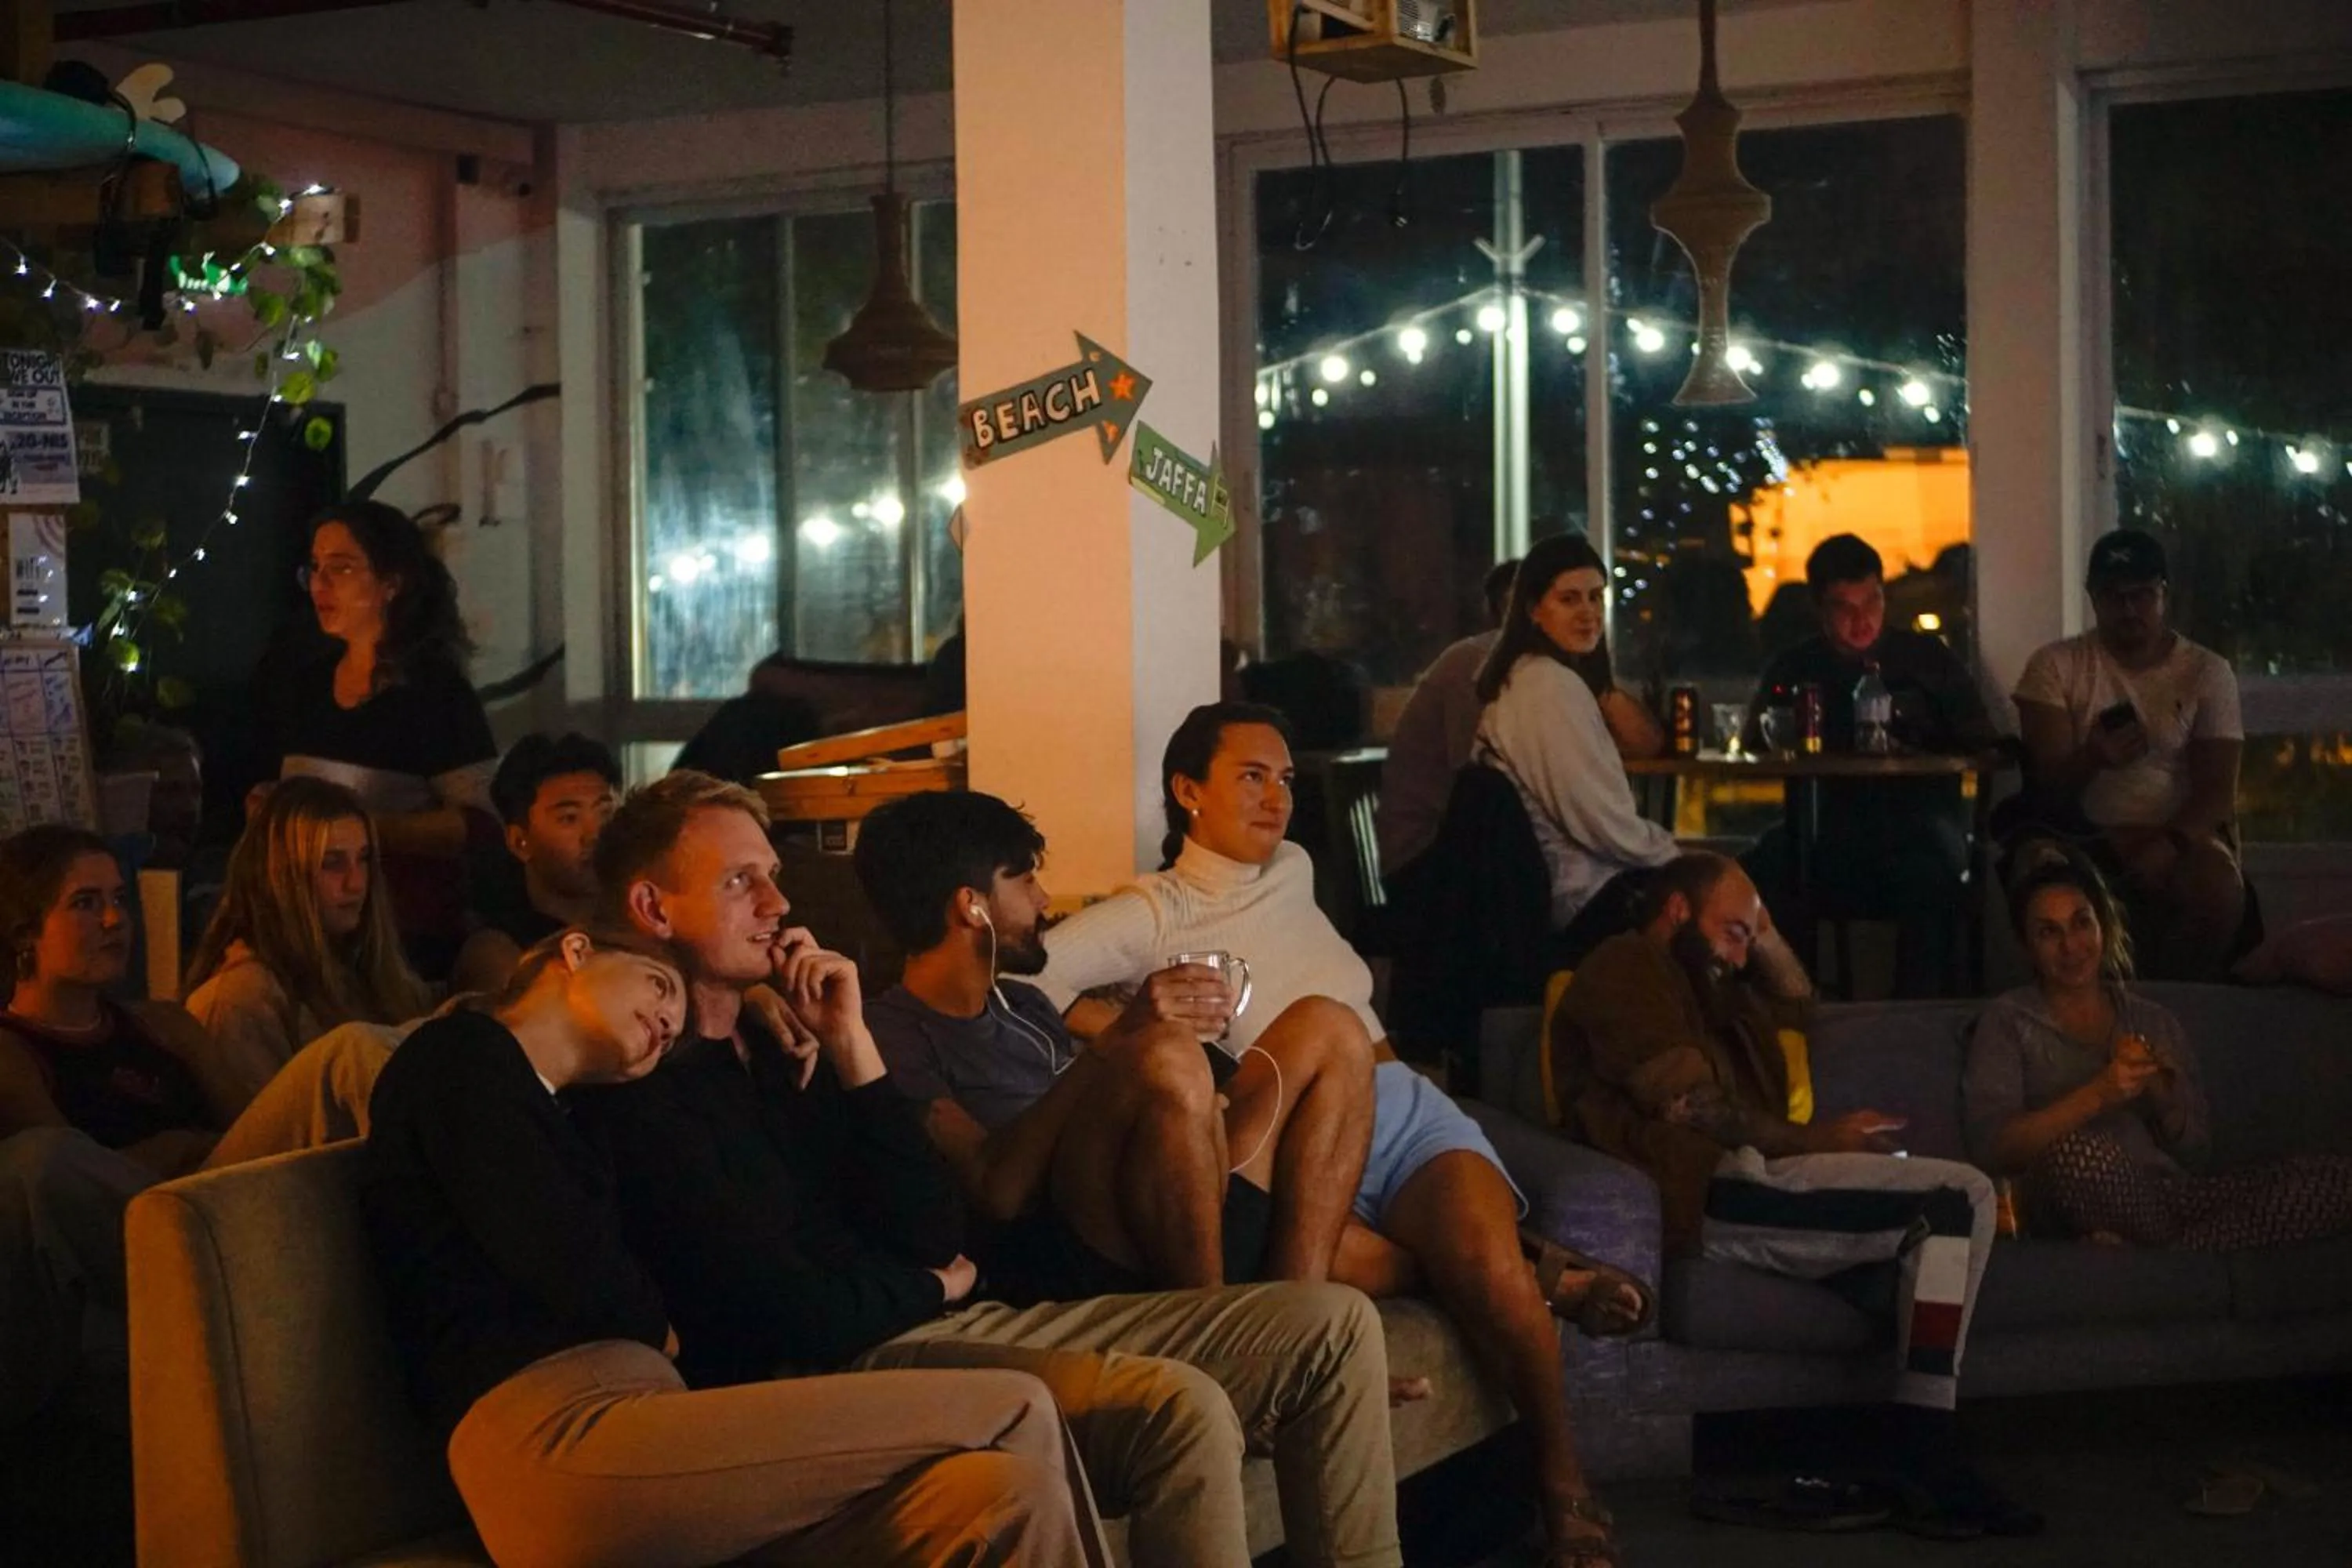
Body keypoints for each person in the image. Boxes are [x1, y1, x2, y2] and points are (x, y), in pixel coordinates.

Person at [573, 771, 1404, 1568]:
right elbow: (791, 1306)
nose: (778, 904)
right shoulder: (642, 1087)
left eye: (774, 876)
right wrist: (930, 1285)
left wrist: (850, 1046)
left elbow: (928, 1224)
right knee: (1185, 1406)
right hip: (865, 1350)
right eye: (740, 882)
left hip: (949, 1307)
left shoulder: (794, 1038)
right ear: (653, 908)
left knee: (1334, 1319)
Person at [1034, 703, 1643, 1568]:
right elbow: (1030, 983)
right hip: (1302, 1141)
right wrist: (1132, 1023)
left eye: (1285, 779)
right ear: (1188, 791)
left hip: (1403, 1107)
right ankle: (1544, 1270)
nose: (1277, 797)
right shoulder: (1153, 912)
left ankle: (1562, 1483)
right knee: (1473, 1267)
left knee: (1484, 1264)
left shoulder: (1294, 865)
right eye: (1251, 776)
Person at [361, 923, 1109, 1568]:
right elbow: (571, 1261)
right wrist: (653, 1325)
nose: (666, 1020)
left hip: (659, 1425)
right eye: (658, 987)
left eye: (674, 1020)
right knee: (1016, 1405)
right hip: (552, 1433)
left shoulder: (580, 1113)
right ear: (577, 951)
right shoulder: (462, 1054)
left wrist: (757, 1001)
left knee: (1004, 1495)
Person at [1551, 851, 2036, 1538]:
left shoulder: (1717, 989)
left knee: (1943, 1235)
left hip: (1758, 1173)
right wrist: (1818, 1140)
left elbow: (1800, 1004)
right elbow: (1687, 1103)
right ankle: (1925, 1451)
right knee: (1959, 1198)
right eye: (1732, 933)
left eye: (1747, 941)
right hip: (1708, 1186)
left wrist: (1759, 927)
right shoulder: (1624, 966)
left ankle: (1915, 1450)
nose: (1740, 955)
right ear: (1677, 911)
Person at [857, 788, 1376, 1301]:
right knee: (1166, 1054)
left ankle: (1298, 1314)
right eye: (1026, 880)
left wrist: (1201, 1104)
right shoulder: (890, 1034)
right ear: (973, 908)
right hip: (1060, 1254)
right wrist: (1122, 1041)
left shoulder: (1025, 1004)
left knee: (1330, 1026)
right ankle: (1210, 1322)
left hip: (1159, 1204)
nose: (1043, 900)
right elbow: (998, 1192)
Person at [0, 824, 388, 1430]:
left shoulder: (164, 1024)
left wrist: (188, 1152)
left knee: (351, 1051)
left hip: (225, 1198)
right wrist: (175, 1149)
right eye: (86, 903)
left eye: (119, 899)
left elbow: (248, 1127)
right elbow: (63, 1188)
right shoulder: (13, 1050)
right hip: (136, 1230)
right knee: (42, 1159)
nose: (114, 920)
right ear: (26, 935)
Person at [1965, 851, 2352, 1249]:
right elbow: (1993, 1149)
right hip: (2077, 1187)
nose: (2070, 946)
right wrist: (2099, 1094)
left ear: (2102, 925)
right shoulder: (2008, 1020)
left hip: (2170, 1197)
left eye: (2081, 923)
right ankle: (2187, 1250)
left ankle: (2175, 1249)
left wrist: (2166, 1104)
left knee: (2334, 1179)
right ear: (2027, 947)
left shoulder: (2153, 1021)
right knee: (2075, 1155)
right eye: (2049, 932)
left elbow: (2197, 1156)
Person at [1743, 533, 1998, 997]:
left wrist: (1923, 741)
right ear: (1820, 610)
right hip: (1825, 831)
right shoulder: (1797, 668)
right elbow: (1754, 742)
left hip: (1919, 826)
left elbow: (1983, 740)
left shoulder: (1926, 660)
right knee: (1764, 868)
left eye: (1872, 601)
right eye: (1844, 608)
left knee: (1929, 879)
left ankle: (1918, 1018)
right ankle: (1790, 1008)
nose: (1862, 620)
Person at [259, 501, 500, 978]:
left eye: (342, 568)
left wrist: (368, 830)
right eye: (315, 568)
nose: (321, 584)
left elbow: (481, 826)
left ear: (392, 583)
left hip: (401, 939)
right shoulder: (305, 684)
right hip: (304, 934)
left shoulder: (435, 693)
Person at [2013, 529, 2246, 980]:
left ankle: (2179, 997)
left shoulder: (2207, 672)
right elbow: (2044, 786)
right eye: (2114, 597)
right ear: (2093, 599)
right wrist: (2093, 757)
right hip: (2081, 834)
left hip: (2181, 834)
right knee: (2039, 870)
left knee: (2215, 887)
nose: (2129, 610)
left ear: (2163, 595)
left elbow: (2217, 793)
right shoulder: (2055, 666)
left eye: (2142, 595)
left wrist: (2168, 845)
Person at [1475, 532, 1679, 960]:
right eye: (1569, 600)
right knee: (1734, 900)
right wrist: (1679, 858)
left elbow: (1645, 746)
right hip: (1583, 899)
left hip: (1572, 890)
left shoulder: (1538, 677)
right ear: (1533, 610)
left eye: (1596, 598)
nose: (1588, 613)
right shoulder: (1547, 687)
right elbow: (1599, 822)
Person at [183, 776, 430, 1112]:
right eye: (332, 863)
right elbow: (268, 1135)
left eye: (363, 859)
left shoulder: (362, 968)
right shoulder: (239, 999)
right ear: (281, 875)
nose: (356, 883)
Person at [1376, 557, 1519, 885]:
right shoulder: (1477, 661)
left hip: (1466, 850)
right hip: (1426, 861)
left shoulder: (1536, 669)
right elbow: (1474, 771)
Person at [448, 733, 622, 997]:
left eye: (605, 814)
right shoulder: (502, 954)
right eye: (569, 818)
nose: (595, 835)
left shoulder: (641, 928)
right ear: (519, 842)